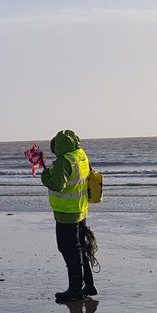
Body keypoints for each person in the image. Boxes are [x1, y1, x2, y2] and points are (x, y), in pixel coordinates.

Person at [39, 129, 99, 302]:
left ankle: (75, 289)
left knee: (68, 249)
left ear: (59, 147)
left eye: (55, 150)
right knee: (81, 246)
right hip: (81, 209)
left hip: (66, 213)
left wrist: (45, 176)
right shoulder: (80, 155)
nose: (54, 153)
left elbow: (57, 184)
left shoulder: (64, 161)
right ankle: (88, 284)